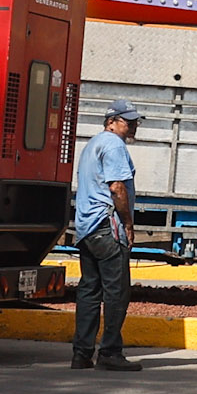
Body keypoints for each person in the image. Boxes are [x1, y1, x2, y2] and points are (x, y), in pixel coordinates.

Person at [72, 100, 141, 372]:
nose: (133, 125)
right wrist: (128, 223)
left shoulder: (93, 144)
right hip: (107, 227)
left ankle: (81, 353)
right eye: (128, 121)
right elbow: (117, 187)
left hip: (88, 228)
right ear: (111, 121)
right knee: (117, 292)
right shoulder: (113, 145)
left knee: (90, 291)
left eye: (135, 121)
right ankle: (110, 352)